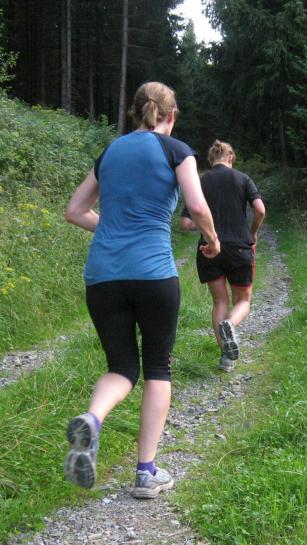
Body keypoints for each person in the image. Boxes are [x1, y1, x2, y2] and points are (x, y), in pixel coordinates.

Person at [64, 82, 220, 499]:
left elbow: (75, 211)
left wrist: (115, 229)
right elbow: (197, 206)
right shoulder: (177, 151)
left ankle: (92, 419)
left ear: (136, 112)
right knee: (157, 368)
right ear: (172, 115)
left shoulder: (110, 153)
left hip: (103, 276)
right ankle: (146, 472)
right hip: (153, 275)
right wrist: (213, 240)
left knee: (121, 367)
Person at [180, 140, 266, 372]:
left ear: (211, 160)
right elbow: (260, 210)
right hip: (239, 247)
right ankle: (230, 324)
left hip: (209, 249)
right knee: (243, 301)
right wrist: (252, 232)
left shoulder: (200, 181)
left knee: (219, 302)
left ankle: (226, 359)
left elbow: (186, 223)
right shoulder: (243, 179)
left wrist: (208, 228)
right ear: (231, 158)